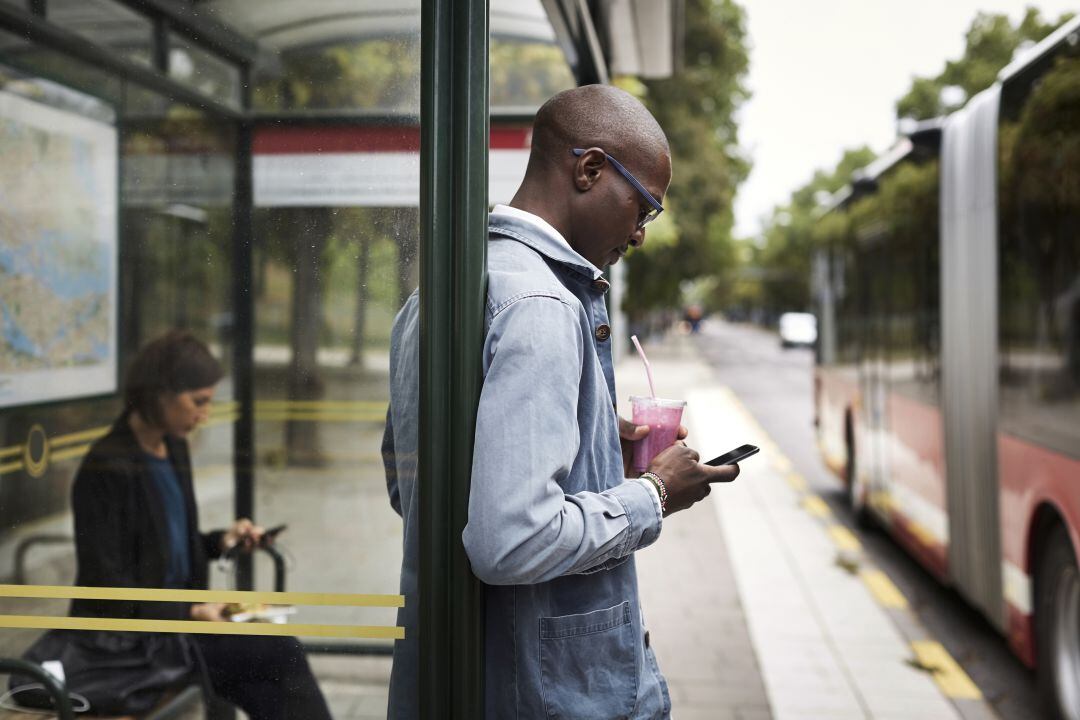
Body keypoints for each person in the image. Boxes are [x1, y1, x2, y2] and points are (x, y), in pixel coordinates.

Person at [383, 85, 738, 718]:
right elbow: (511, 542)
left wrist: (595, 451)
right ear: (590, 169)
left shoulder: (432, 295)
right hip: (539, 694)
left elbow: (408, 484)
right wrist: (653, 493)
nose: (640, 234)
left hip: (450, 680)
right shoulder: (545, 308)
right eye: (644, 207)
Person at [70, 330, 332, 720]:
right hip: (135, 640)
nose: (205, 415)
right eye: (198, 402)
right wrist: (190, 611)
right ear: (160, 393)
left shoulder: (172, 447)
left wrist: (220, 541)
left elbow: (164, 546)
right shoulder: (106, 467)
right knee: (277, 656)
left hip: (178, 627)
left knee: (270, 672)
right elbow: (105, 586)